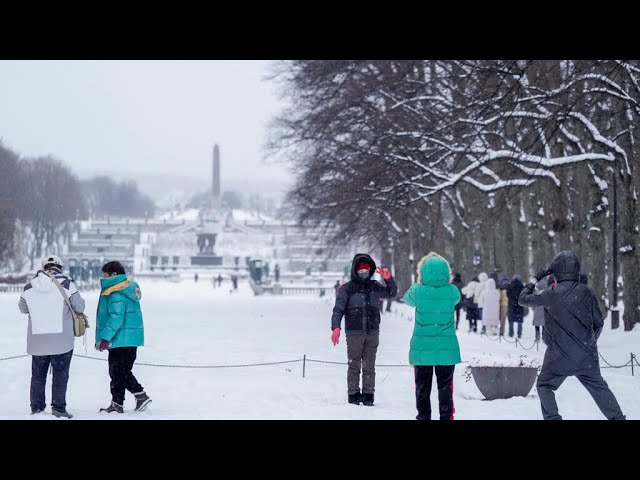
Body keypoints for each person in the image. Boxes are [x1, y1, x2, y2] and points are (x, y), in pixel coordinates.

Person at [519, 250, 625, 420]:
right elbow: (598, 322)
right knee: (598, 387)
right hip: (585, 354)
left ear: (556, 270)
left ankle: (553, 418)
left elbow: (523, 299)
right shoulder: (586, 292)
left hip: (558, 355)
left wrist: (535, 279)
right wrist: (587, 341)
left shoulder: (551, 293)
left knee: (545, 386)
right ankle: (618, 418)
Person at [18, 254, 85, 418]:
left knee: (38, 376)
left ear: (43, 268)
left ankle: (37, 407)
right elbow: (80, 307)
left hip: (38, 341)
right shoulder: (68, 284)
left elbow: (22, 308)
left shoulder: (29, 286)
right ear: (60, 267)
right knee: (60, 376)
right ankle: (59, 408)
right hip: (62, 341)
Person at [330, 253, 397, 406]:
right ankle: (353, 394)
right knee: (354, 365)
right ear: (355, 271)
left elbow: (391, 293)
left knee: (369, 366)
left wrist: (388, 279)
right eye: (360, 271)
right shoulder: (346, 289)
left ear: (370, 270)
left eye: (366, 271)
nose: (363, 274)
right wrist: (336, 327)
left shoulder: (375, 286)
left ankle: (368, 395)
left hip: (372, 332)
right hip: (354, 333)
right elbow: (338, 309)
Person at [403, 252, 461, 420]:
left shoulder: (418, 292)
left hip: (422, 350)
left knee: (422, 388)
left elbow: (407, 298)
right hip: (446, 349)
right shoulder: (452, 292)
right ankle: (446, 416)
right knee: (445, 388)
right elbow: (457, 299)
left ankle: (423, 416)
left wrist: (419, 283)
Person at [96, 261, 151, 414]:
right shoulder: (127, 288)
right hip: (129, 339)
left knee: (118, 372)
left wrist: (104, 338)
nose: (103, 278)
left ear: (113, 275)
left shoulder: (116, 292)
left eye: (105, 275)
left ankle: (140, 395)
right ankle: (118, 403)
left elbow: (116, 318)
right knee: (121, 372)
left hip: (119, 339)